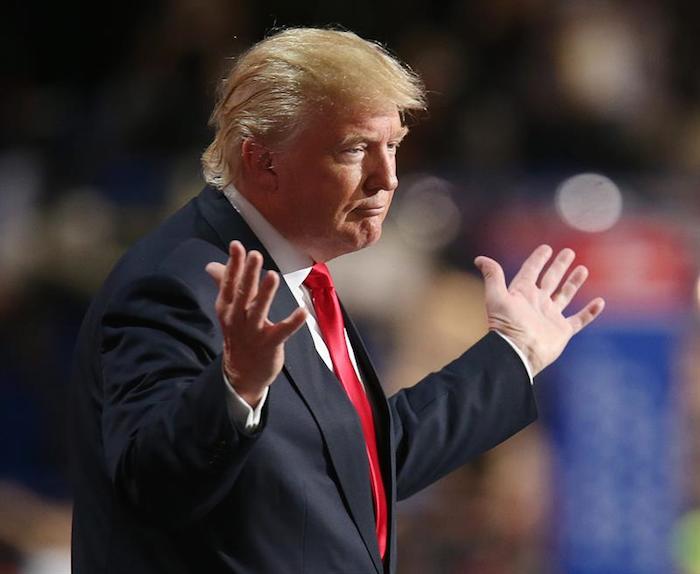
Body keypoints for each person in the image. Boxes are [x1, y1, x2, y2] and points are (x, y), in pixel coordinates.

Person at [69, 27, 605, 574]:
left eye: (393, 146)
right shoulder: (176, 285)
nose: (388, 178)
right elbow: (150, 485)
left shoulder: (295, 271)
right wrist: (233, 388)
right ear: (263, 160)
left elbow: (360, 464)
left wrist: (516, 352)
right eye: (355, 149)